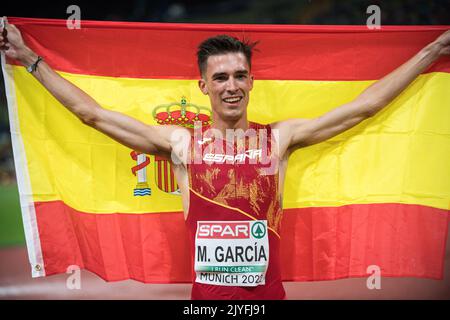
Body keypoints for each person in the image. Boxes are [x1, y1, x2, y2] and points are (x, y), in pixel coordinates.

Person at [1, 16, 449, 300]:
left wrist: (432, 51)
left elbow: (363, 107)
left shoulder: (281, 138)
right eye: (220, 77)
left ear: (252, 82)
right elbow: (91, 114)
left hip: (269, 295)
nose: (231, 85)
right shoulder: (182, 144)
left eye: (239, 75)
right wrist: (29, 58)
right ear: (204, 87)